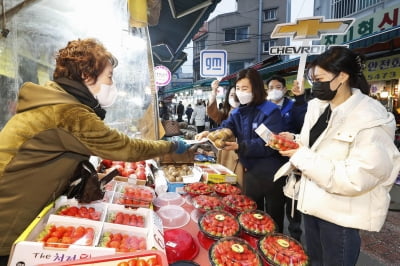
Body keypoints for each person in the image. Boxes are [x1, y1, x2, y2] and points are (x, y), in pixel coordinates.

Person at [0, 38, 190, 262]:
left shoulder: (55, 102)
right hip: (10, 217)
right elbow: (126, 148)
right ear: (87, 76)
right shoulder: (68, 112)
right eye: (109, 76)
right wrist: (172, 145)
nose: (112, 84)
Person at [278, 46, 400, 265]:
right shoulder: (319, 107)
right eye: (312, 79)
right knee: (314, 260)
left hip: (339, 216)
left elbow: (356, 178)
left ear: (342, 76)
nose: (314, 84)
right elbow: (317, 146)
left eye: (320, 78)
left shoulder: (371, 118)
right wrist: (295, 141)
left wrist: (299, 155)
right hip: (311, 204)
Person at [196, 68, 287, 232]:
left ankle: (275, 244)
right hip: (251, 172)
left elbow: (270, 143)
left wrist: (240, 146)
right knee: (251, 214)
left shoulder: (270, 111)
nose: (240, 93)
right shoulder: (238, 111)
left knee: (273, 219)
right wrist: (209, 134)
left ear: (256, 88)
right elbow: (226, 128)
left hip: (272, 173)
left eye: (245, 89)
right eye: (238, 89)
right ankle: (256, 244)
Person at [265, 75, 307, 241]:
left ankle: (295, 240)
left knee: (292, 205)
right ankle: (274, 238)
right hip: (271, 162)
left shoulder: (294, 106)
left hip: (292, 164)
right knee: (273, 205)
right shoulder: (265, 108)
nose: (274, 90)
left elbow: (303, 126)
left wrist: (300, 99)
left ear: (284, 89)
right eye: (271, 87)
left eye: (278, 87)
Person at [207, 80, 244, 188]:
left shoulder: (248, 112)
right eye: (232, 95)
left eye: (237, 95)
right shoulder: (225, 113)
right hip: (225, 152)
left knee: (238, 184)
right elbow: (212, 112)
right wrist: (214, 91)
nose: (235, 97)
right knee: (224, 183)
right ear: (227, 97)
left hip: (240, 153)